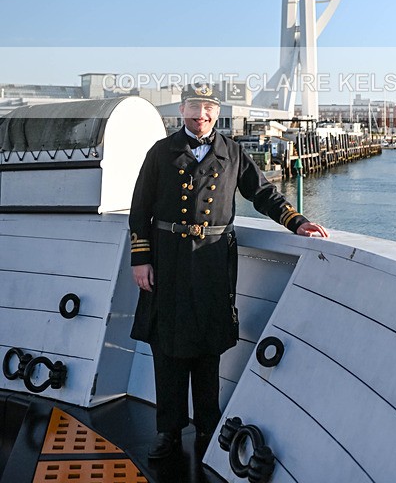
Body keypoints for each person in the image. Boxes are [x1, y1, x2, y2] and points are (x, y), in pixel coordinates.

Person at [129, 83, 328, 460]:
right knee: (167, 347)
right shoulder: (160, 152)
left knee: (209, 344)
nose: (199, 115)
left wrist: (296, 222)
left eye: (207, 108)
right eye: (192, 107)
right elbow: (140, 209)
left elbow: (263, 193)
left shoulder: (232, 152)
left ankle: (207, 423)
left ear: (215, 113)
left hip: (213, 262)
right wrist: (141, 259)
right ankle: (168, 431)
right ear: (181, 110)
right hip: (168, 261)